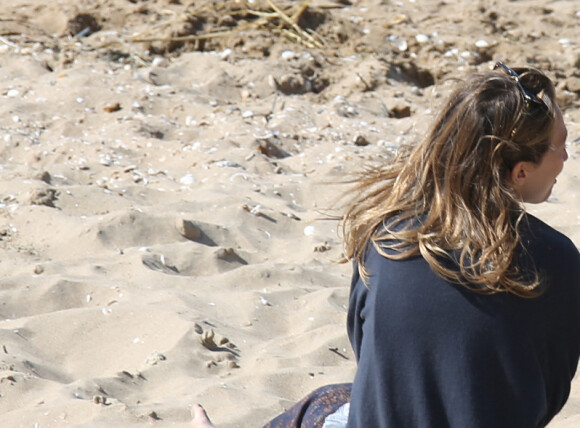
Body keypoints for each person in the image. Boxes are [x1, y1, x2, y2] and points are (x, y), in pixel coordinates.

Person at [191, 62, 580, 428]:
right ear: (520, 171)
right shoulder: (558, 259)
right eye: (559, 146)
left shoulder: (388, 236)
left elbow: (371, 355)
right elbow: (548, 394)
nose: (566, 156)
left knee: (324, 404)